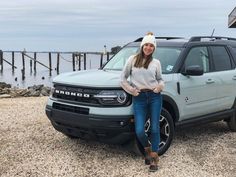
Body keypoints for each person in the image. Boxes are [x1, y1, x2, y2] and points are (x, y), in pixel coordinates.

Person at [120, 32, 164, 172]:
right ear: (142, 46)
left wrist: (159, 87)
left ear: (154, 48)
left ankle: (154, 159)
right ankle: (148, 150)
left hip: (154, 97)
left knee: (155, 128)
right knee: (139, 130)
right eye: (146, 44)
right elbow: (122, 79)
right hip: (139, 98)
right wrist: (132, 91)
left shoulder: (156, 63)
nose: (148, 47)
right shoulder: (132, 60)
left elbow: (160, 79)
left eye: (151, 45)